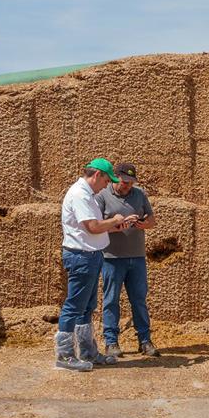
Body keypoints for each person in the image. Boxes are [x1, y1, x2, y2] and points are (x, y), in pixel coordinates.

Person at [55, 158, 136, 371]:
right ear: (97, 175)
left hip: (90, 255)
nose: (106, 185)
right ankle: (64, 356)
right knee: (74, 306)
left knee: (87, 307)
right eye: (106, 180)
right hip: (82, 257)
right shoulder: (80, 195)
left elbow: (95, 228)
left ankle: (88, 352)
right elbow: (92, 226)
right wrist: (115, 219)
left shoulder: (88, 195)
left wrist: (116, 226)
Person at [95, 162, 161, 358]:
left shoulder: (139, 194)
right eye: (124, 182)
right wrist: (117, 225)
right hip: (111, 257)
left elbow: (152, 221)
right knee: (111, 301)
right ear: (115, 177)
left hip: (137, 257)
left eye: (131, 183)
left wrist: (142, 224)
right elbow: (95, 226)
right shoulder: (102, 195)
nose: (127, 186)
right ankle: (111, 342)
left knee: (139, 300)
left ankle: (145, 340)